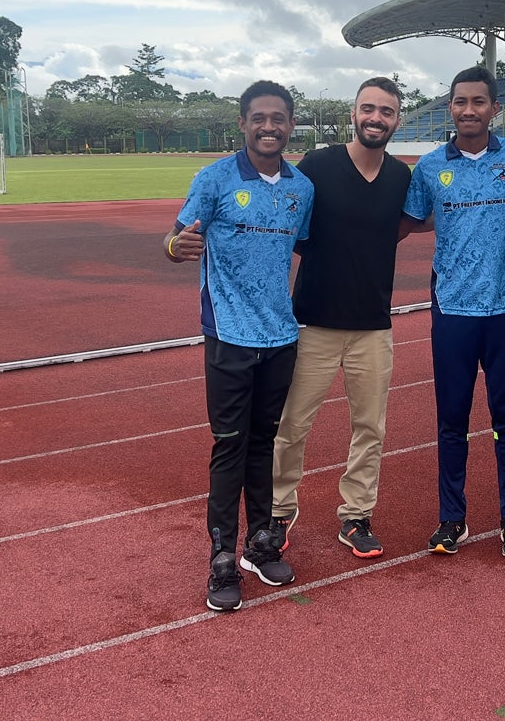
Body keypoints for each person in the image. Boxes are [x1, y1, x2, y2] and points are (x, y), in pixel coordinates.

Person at [164, 80, 314, 612]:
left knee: (263, 443)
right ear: (243, 123)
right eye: (259, 118)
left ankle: (260, 542)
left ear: (291, 124)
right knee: (229, 444)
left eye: (278, 118)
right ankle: (222, 556)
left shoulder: (302, 189)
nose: (268, 127)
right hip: (228, 335)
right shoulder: (214, 179)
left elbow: (302, 248)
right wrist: (175, 246)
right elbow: (177, 239)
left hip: (281, 336)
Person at [269, 77, 411, 559]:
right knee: (292, 426)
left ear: (397, 120)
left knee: (370, 428)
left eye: (386, 111)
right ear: (354, 114)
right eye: (368, 109)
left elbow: (417, 220)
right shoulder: (318, 166)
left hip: (373, 325)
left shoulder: (399, 177)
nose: (376, 118)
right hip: (312, 323)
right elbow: (288, 225)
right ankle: (278, 513)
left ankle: (355, 516)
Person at [402, 65, 505, 558]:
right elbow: (403, 222)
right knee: (451, 421)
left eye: (479, 102)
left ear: (494, 108)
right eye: (460, 102)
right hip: (452, 312)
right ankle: (452, 519)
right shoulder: (429, 166)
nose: (468, 110)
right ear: (450, 107)